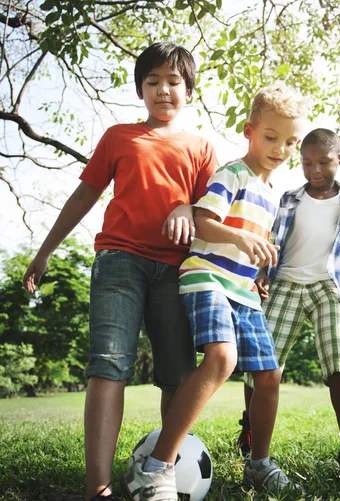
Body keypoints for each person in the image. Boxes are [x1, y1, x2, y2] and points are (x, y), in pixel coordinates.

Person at [22, 42, 218, 500]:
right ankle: (99, 488)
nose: (163, 90)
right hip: (119, 262)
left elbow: (215, 212)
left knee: (176, 374)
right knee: (108, 366)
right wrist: (45, 250)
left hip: (177, 270)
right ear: (140, 89)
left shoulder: (202, 147)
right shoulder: (119, 137)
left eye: (173, 82)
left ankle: (161, 474)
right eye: (152, 82)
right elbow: (84, 196)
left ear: (189, 90)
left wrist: (189, 206)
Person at [122, 83, 308, 500]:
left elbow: (256, 244)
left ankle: (258, 463)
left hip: (243, 292)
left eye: (290, 142)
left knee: (269, 375)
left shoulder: (273, 193)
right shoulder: (233, 173)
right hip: (206, 278)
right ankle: (156, 467)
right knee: (222, 358)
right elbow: (204, 223)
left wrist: (260, 271)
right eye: (271, 137)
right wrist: (240, 240)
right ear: (249, 131)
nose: (280, 149)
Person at [237, 128, 340, 486]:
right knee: (263, 363)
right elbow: (271, 239)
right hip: (286, 283)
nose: (315, 170)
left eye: (324, 162)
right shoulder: (288, 199)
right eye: (307, 163)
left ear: (339, 160)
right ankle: (250, 428)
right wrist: (263, 273)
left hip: (328, 287)